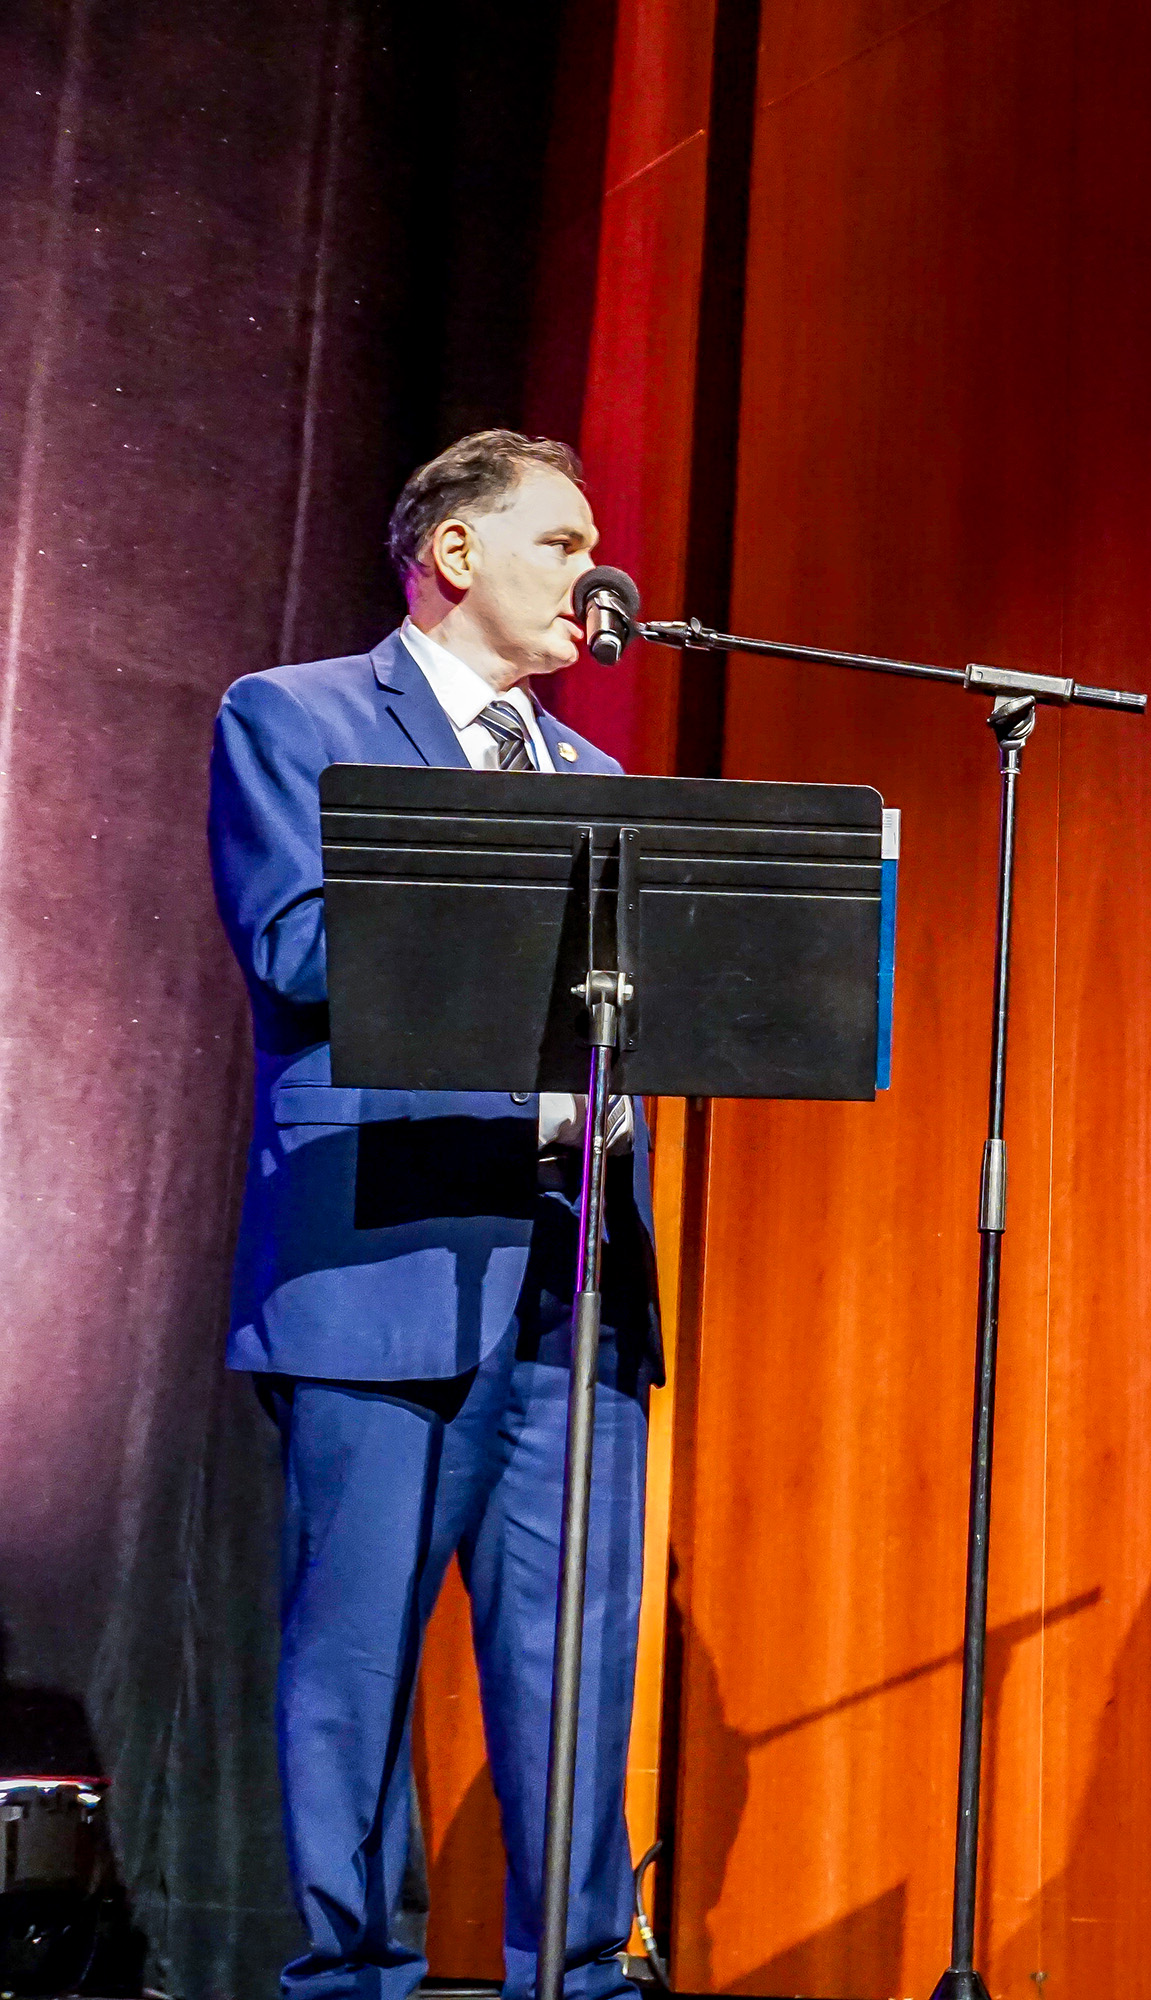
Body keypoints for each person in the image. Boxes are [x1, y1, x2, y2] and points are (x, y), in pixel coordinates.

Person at [208, 431, 659, 2000]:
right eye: (561, 544)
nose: (595, 580)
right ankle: (353, 1981)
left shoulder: (601, 782)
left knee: (573, 1668)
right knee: (356, 1668)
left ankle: (580, 1974)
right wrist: (526, 900)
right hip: (381, 1259)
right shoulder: (297, 716)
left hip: (572, 1279)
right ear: (455, 556)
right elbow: (298, 949)